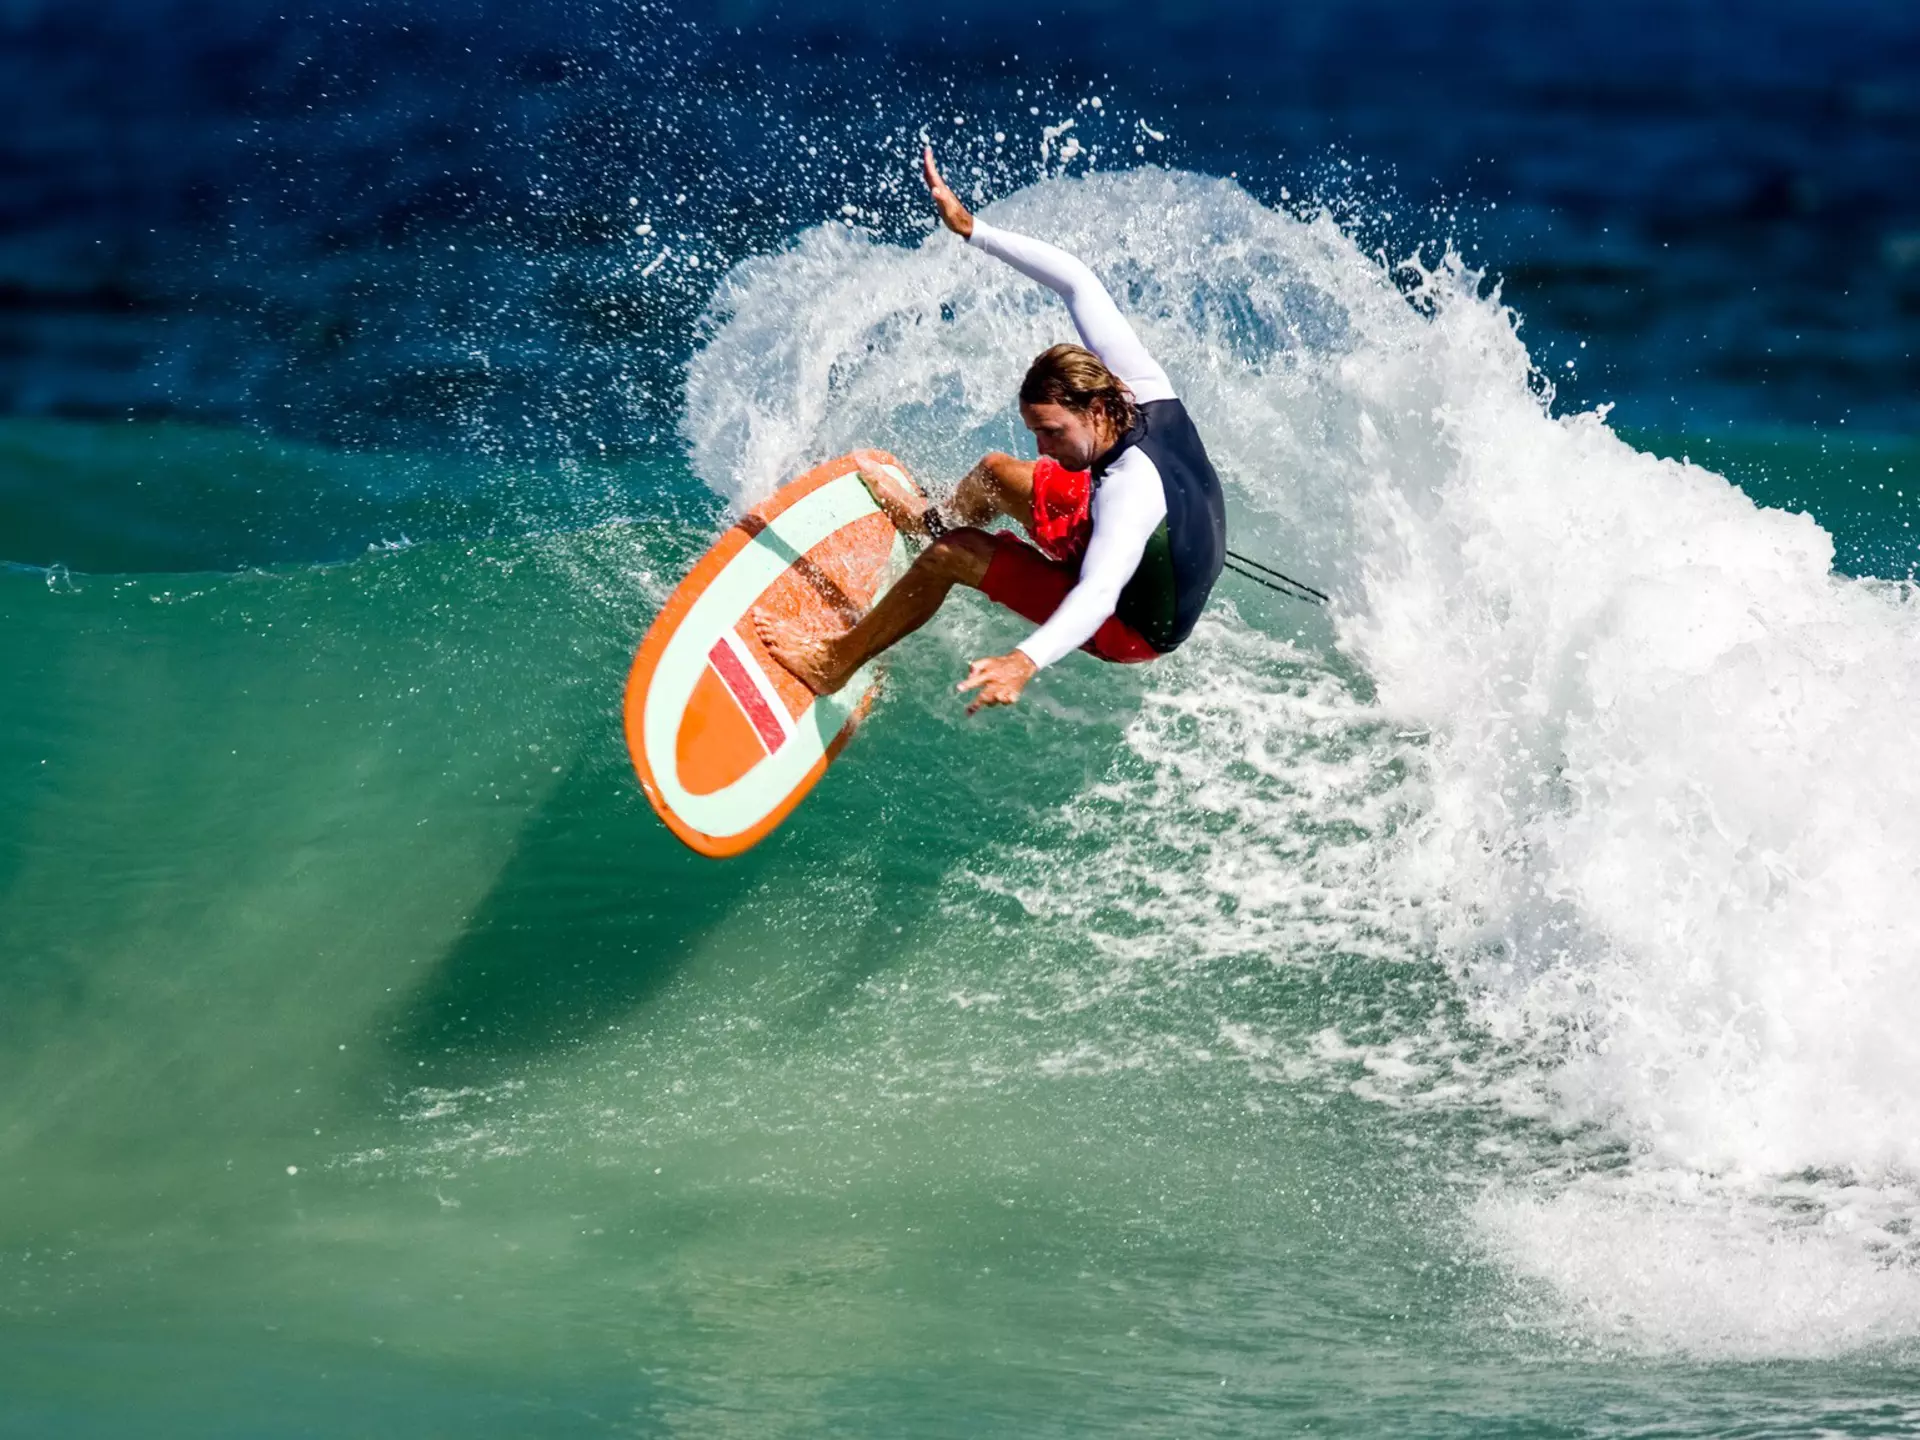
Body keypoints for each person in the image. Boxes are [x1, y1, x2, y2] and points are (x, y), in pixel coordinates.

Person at [756, 146, 1226, 714]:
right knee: (995, 475)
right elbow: (1078, 282)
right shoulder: (1142, 388)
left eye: (1051, 432)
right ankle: (929, 525)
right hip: (1152, 555)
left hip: (1130, 625)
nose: (1041, 448)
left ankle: (833, 665)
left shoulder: (1130, 490)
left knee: (954, 553)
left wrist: (1023, 660)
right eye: (1036, 430)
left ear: (1098, 410)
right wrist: (971, 228)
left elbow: (1099, 594)